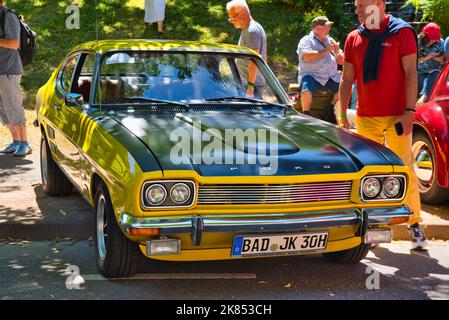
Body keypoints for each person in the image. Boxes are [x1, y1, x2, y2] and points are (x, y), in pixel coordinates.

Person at [338, 0, 427, 250]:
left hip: (398, 115)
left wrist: (410, 111)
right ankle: (376, 229)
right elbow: (346, 80)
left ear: (378, 4)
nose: (356, 9)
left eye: (361, 4)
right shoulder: (354, 37)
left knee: (403, 169)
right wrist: (342, 115)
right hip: (367, 117)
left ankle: (415, 225)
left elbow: (411, 73)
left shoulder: (402, 32)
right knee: (371, 174)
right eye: (356, 5)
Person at [296, 16, 344, 123]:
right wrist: (326, 51)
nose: (329, 29)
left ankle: (329, 109)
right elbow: (306, 56)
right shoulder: (306, 40)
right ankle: (305, 115)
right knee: (306, 89)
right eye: (326, 27)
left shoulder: (330, 40)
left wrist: (337, 52)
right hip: (312, 75)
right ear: (317, 29)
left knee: (344, 87)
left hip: (329, 76)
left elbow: (341, 61)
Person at [0, 0, 31, 157]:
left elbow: (14, 43)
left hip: (9, 70)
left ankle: (25, 143)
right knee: (3, 108)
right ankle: (16, 141)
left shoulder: (8, 16)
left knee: (13, 105)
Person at [226, 0, 267, 98]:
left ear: (243, 14)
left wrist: (250, 87)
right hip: (251, 83)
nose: (231, 21)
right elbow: (264, 56)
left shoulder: (251, 31)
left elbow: (253, 60)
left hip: (251, 85)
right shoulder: (250, 28)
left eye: (233, 17)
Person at [416, 23, 445, 105]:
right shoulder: (417, 42)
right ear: (424, 36)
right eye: (432, 38)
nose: (434, 40)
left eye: (435, 38)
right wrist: (427, 57)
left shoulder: (440, 42)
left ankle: (423, 98)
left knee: (434, 74)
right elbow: (413, 62)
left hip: (434, 71)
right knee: (424, 81)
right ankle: (424, 98)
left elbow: (444, 61)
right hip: (419, 71)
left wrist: (440, 60)